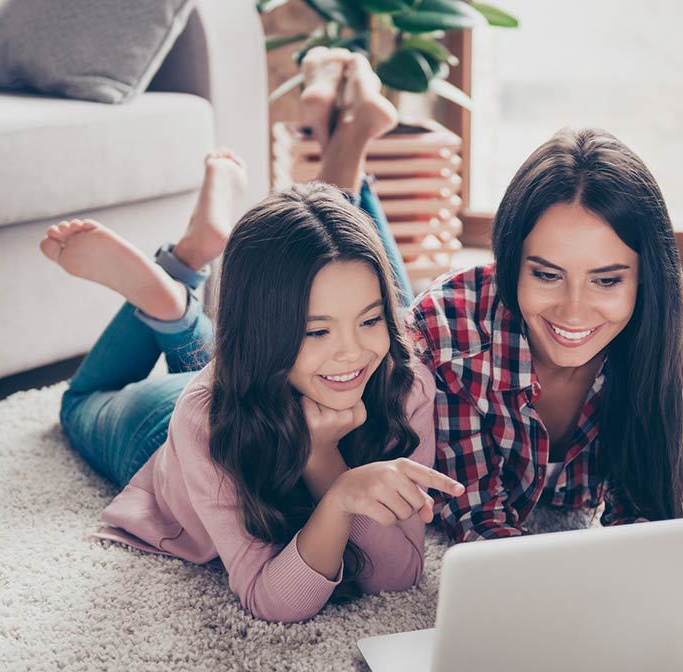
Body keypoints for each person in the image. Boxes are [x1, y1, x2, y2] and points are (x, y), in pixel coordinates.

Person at [38, 49, 464, 623]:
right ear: (265, 335)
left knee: (321, 271)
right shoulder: (202, 418)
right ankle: (175, 286)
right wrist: (337, 489)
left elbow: (398, 576)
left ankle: (180, 290)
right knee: (78, 403)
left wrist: (325, 463)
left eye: (371, 319)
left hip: (256, 365)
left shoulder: (406, 384)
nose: (353, 350)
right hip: (167, 436)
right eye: (317, 330)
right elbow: (269, 599)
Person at [409, 127, 683, 542]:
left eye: (607, 281)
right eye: (547, 275)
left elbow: (646, 508)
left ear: (646, 279)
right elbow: (476, 519)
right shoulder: (447, 327)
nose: (574, 311)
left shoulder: (673, 321)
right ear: (510, 261)